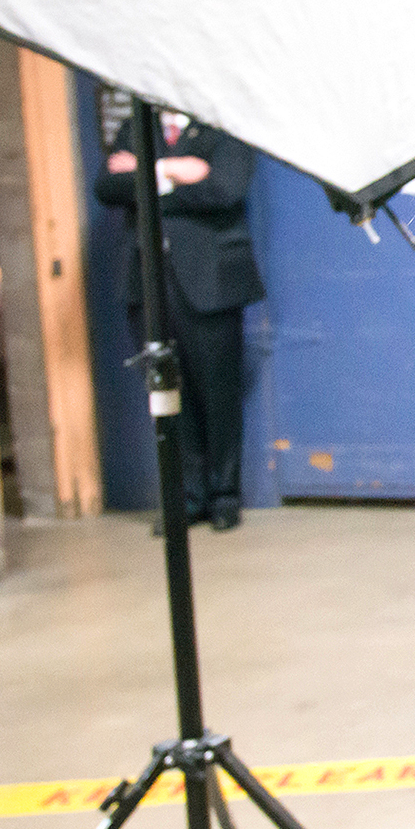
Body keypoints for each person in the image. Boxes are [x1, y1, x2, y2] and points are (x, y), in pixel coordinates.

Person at [94, 109, 264, 531]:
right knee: (167, 395)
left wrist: (145, 176)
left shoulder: (226, 125)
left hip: (211, 283)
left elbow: (225, 188)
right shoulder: (138, 124)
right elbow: (108, 186)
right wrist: (175, 170)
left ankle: (224, 496)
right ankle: (186, 498)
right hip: (149, 282)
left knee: (219, 393)